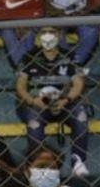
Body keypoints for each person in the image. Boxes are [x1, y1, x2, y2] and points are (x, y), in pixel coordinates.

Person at [16, 27, 91, 177]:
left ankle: (78, 161)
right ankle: (37, 165)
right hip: (38, 103)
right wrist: (33, 100)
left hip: (64, 101)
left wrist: (67, 99)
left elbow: (78, 83)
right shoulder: (29, 58)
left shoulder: (69, 56)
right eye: (43, 32)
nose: (48, 36)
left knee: (81, 115)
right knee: (34, 123)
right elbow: (20, 86)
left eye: (52, 32)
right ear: (38, 36)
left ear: (59, 34)